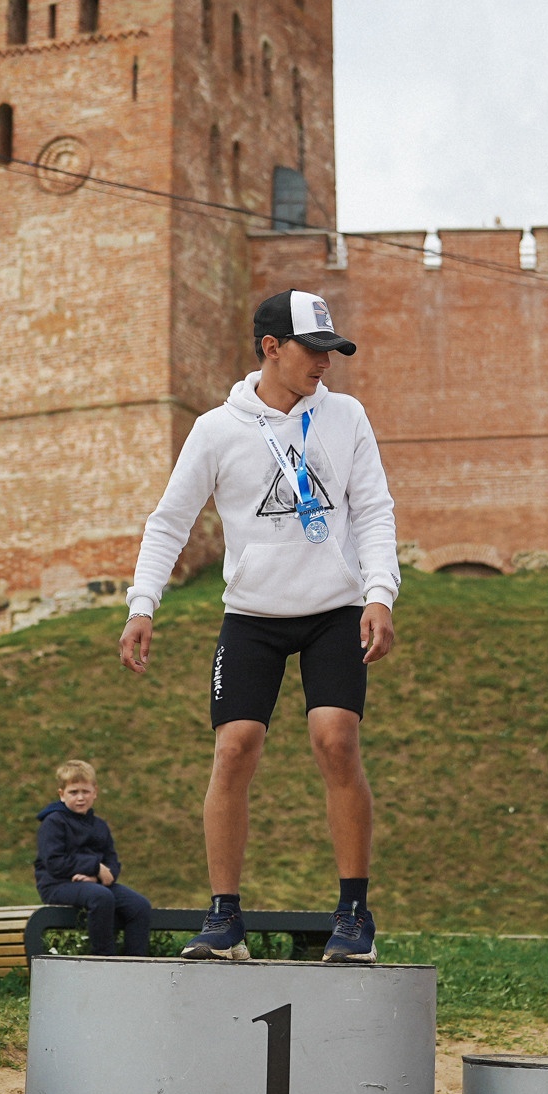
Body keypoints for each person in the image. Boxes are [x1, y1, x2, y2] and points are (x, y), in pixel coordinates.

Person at [120, 289, 398, 963]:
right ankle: (223, 920)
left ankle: (354, 914)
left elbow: (374, 510)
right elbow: (170, 520)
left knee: (336, 739)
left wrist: (380, 592)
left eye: (333, 352)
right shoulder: (219, 429)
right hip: (252, 615)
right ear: (271, 348)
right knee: (235, 747)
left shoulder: (347, 416)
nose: (324, 365)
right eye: (313, 350)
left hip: (334, 610)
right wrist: (142, 604)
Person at [33, 759, 152, 957]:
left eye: (85, 792)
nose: (80, 797)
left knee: (139, 906)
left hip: (94, 883)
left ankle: (136, 961)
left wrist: (98, 877)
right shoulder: (53, 822)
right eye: (74, 792)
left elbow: (112, 862)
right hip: (57, 884)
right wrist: (94, 868)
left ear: (95, 792)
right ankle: (103, 959)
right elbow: (54, 863)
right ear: (62, 794)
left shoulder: (100, 826)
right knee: (101, 896)